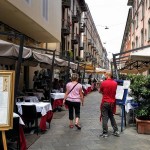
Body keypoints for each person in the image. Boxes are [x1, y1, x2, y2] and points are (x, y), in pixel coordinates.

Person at [99, 72, 119, 138]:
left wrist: (103, 92)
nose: (104, 76)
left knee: (104, 117)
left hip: (105, 101)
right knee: (111, 116)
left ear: (107, 75)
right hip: (112, 102)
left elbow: (100, 91)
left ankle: (105, 132)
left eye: (105, 75)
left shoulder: (103, 83)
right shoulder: (115, 83)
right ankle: (116, 130)